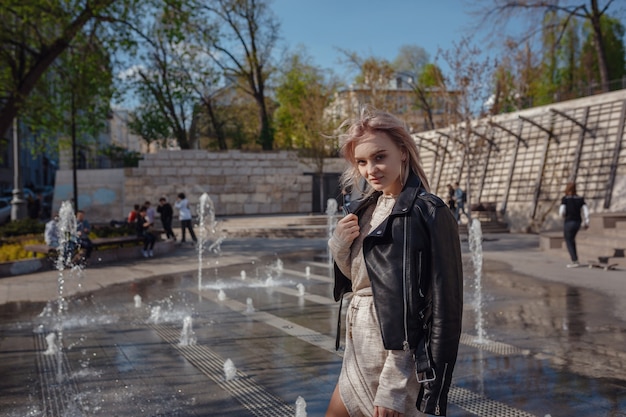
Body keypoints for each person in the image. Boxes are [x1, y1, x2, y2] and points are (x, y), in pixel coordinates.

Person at [326, 108, 463, 417]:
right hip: (359, 347)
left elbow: (442, 308)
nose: (370, 169)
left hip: (396, 355)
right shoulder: (364, 210)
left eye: (379, 157)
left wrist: (395, 384)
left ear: (403, 152)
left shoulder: (429, 211)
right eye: (361, 162)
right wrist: (339, 244)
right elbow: (358, 280)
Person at [559, 182, 589, 268]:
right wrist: (586, 221)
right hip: (577, 221)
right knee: (571, 239)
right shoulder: (580, 199)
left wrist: (563, 216)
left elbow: (561, 211)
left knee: (568, 240)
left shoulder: (565, 199)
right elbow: (586, 210)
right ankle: (575, 259)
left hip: (569, 221)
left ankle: (575, 260)